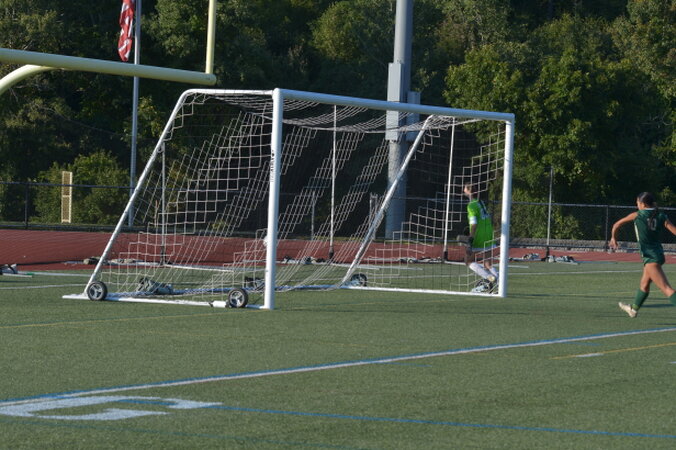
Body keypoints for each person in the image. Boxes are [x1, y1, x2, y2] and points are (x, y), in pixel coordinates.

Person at [609, 192, 676, 318]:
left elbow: (616, 224)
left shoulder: (638, 215)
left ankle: (633, 309)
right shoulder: (661, 215)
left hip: (650, 257)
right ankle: (633, 309)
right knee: (644, 285)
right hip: (658, 255)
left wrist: (613, 238)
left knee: (666, 289)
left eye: (637, 203)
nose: (637, 205)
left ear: (643, 204)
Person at [463, 183, 498, 292]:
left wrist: (470, 239)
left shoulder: (471, 206)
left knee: (468, 260)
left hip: (479, 235)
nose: (463, 190)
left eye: (464, 188)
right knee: (488, 264)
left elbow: (474, 224)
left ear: (468, 191)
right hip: (488, 233)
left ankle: (489, 277)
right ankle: (499, 282)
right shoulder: (480, 202)